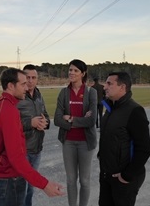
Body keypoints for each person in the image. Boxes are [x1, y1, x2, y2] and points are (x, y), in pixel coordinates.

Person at [0, 68, 64, 206]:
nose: (27, 86)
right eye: (23, 84)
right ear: (11, 86)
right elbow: (16, 157)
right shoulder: (9, 110)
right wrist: (45, 184)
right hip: (9, 176)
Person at [98, 71, 150, 206]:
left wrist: (127, 175)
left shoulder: (135, 111)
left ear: (122, 87)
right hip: (106, 175)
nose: (105, 87)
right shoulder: (110, 108)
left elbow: (144, 149)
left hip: (123, 179)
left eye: (109, 83)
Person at [54, 59, 97, 206]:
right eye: (70, 70)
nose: (71, 73)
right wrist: (79, 121)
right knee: (71, 179)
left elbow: (91, 121)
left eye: (75, 70)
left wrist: (71, 119)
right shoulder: (64, 92)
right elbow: (57, 119)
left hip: (86, 142)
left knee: (84, 180)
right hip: (68, 142)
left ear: (83, 73)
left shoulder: (92, 92)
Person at [17, 64, 50, 206]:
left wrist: (45, 123)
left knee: (30, 187)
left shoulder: (38, 95)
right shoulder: (17, 97)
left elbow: (46, 116)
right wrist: (30, 123)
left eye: (33, 77)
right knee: (20, 188)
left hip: (37, 150)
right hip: (22, 150)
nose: (30, 80)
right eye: (28, 77)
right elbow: (9, 124)